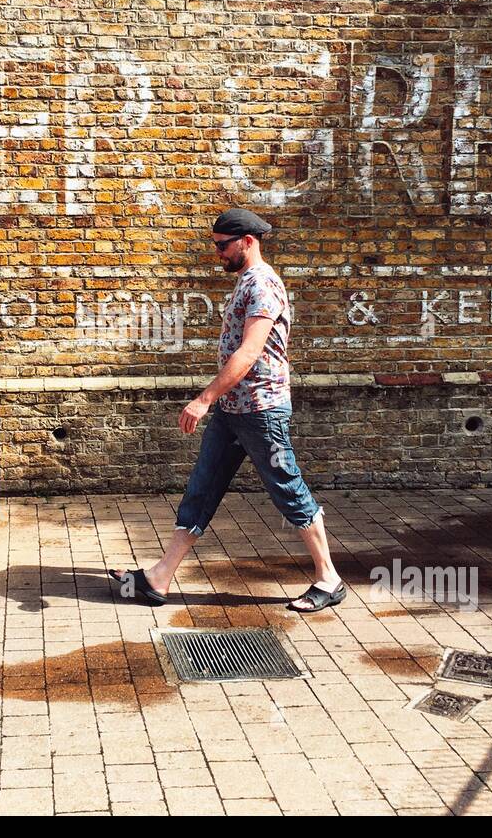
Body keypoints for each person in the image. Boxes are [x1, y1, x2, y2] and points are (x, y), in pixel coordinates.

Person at [110, 207, 345, 613]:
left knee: (287, 488)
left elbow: (250, 352)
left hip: (261, 412)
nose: (217, 253)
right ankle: (157, 579)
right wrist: (217, 403)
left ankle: (329, 579)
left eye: (223, 246)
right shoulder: (245, 283)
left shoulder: (264, 286)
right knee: (202, 489)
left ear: (247, 242)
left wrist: (204, 399)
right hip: (233, 412)